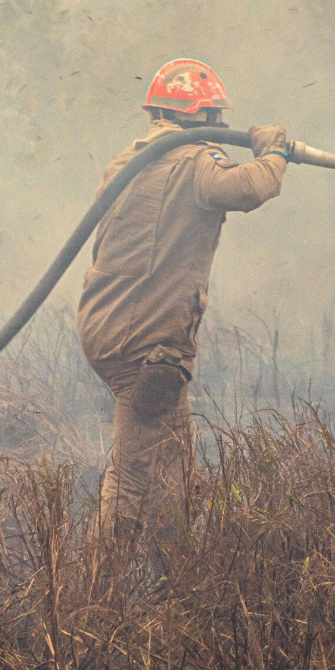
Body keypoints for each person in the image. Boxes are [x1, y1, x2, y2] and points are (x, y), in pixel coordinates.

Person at [77, 58, 288, 557]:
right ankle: (96, 588)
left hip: (109, 329)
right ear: (202, 117)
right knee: (132, 476)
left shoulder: (128, 161)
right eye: (216, 115)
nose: (221, 124)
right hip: (146, 346)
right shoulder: (196, 162)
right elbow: (248, 187)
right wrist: (275, 151)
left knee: (173, 459)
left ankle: (177, 569)